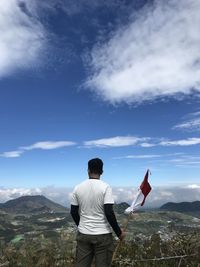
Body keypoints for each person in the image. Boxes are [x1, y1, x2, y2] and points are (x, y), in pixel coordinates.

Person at [70, 158, 125, 267]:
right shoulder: (106, 187)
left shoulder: (77, 188)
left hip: (84, 234)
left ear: (88, 170)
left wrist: (82, 225)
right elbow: (109, 212)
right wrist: (119, 233)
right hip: (103, 235)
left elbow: (73, 212)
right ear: (102, 171)